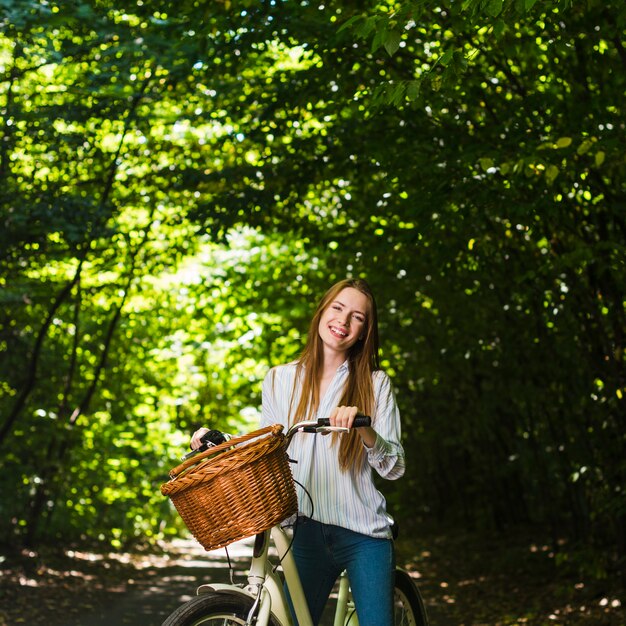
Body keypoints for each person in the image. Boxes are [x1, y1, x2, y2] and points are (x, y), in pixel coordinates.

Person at [191, 278, 405, 626]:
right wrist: (218, 439)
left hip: (364, 535)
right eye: (337, 308)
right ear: (322, 311)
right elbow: (267, 445)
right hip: (305, 533)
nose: (344, 321)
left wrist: (364, 428)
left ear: (365, 332)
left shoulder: (375, 383)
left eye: (357, 317)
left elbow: (394, 466)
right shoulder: (279, 379)